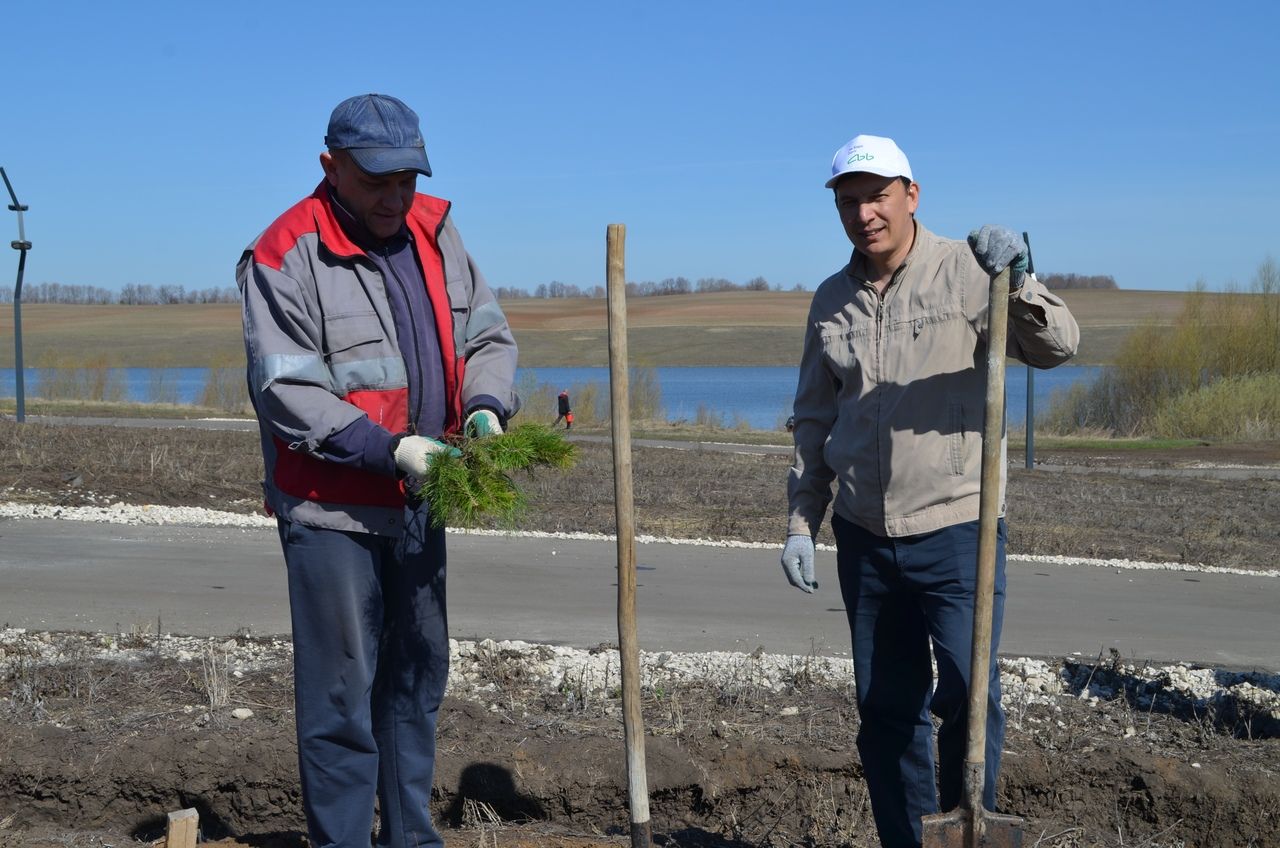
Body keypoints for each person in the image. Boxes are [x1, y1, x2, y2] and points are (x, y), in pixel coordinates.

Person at [237, 93, 519, 848]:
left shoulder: (436, 230)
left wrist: (487, 404)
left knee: (416, 681)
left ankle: (410, 839)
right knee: (341, 698)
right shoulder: (287, 252)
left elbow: (488, 334)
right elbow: (288, 391)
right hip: (333, 511)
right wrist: (386, 446)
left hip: (423, 502)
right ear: (331, 166)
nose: (396, 199)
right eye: (377, 182)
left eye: (408, 181)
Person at [780, 134, 1079, 848]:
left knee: (973, 699)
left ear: (911, 195)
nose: (864, 215)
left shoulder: (968, 273)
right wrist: (801, 520)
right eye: (849, 202)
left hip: (957, 529)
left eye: (877, 196)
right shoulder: (830, 301)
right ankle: (909, 841)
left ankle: (967, 830)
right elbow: (815, 418)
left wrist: (1022, 281)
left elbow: (1058, 346)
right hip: (864, 535)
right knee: (887, 709)